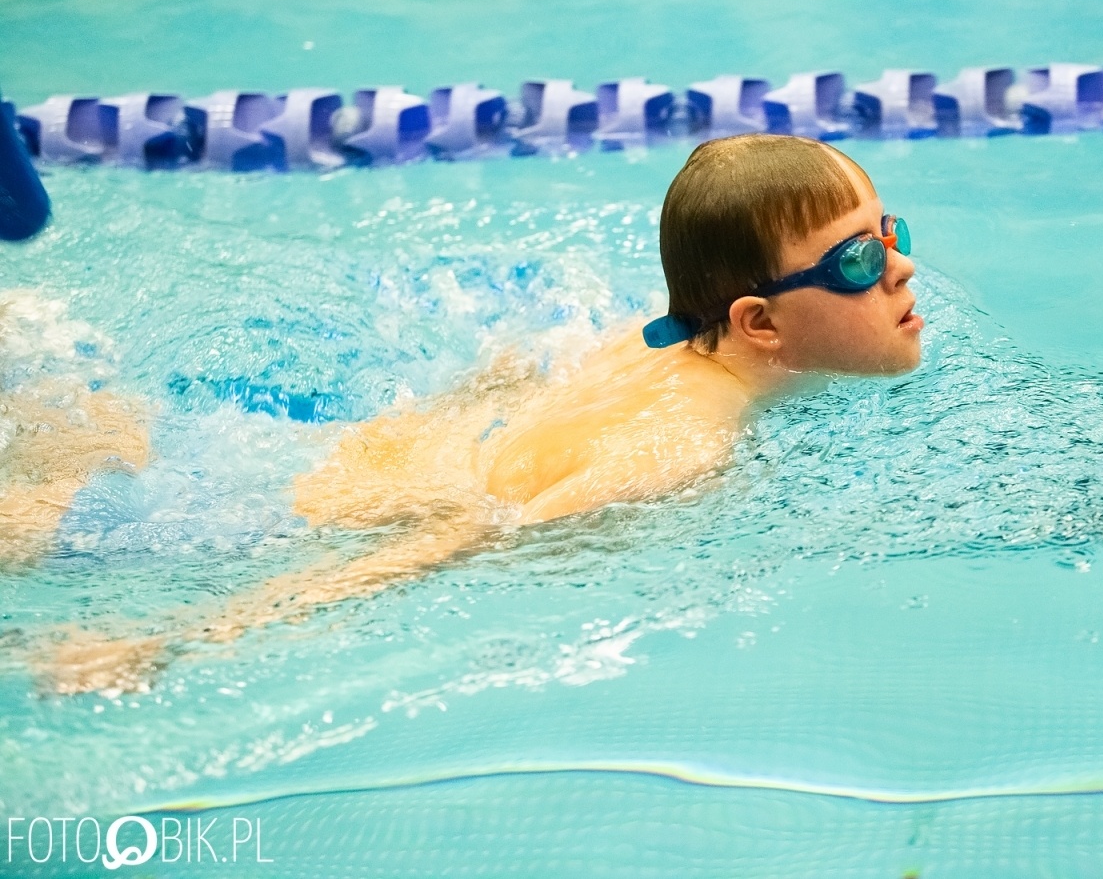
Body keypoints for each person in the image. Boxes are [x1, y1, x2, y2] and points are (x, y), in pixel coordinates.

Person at [36, 133, 921, 694]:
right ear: (755, 323)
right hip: (241, 524)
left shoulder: (651, 343)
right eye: (853, 260)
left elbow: (511, 391)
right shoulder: (685, 448)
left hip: (327, 460)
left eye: (890, 232)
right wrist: (172, 641)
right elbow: (452, 544)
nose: (897, 268)